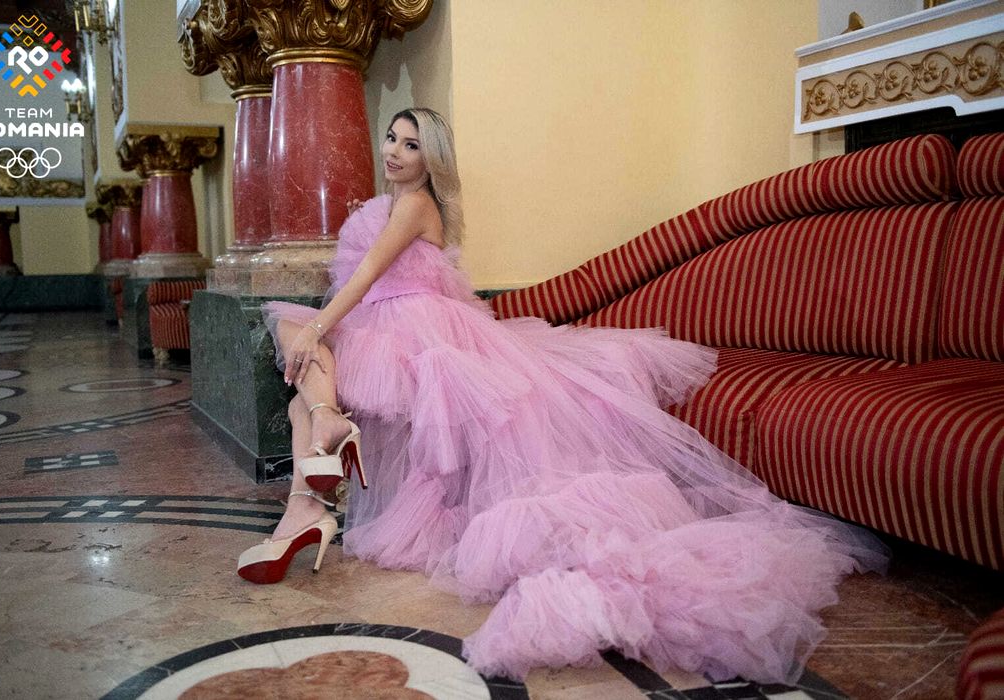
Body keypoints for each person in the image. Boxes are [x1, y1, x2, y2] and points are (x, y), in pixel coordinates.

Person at [236, 108, 889, 684]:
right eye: (391, 138)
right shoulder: (391, 205)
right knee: (301, 374)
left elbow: (371, 272)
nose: (394, 152)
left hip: (421, 332)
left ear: (431, 160)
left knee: (302, 337)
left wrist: (322, 326)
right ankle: (318, 454)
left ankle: (310, 489)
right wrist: (320, 329)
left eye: (411, 145)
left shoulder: (414, 205)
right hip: (394, 325)